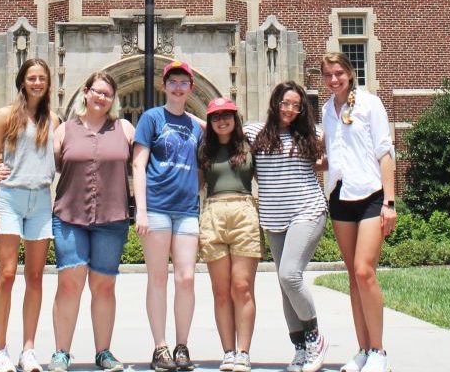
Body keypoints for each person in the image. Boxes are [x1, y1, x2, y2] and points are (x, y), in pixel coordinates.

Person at [47, 71, 135, 372]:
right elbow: (42, 164)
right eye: (97, 91)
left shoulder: (123, 128)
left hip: (112, 218)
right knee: (69, 284)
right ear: (85, 92)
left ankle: (104, 352)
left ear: (113, 99)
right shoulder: (64, 131)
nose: (101, 97)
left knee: (104, 286)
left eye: (107, 94)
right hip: (69, 216)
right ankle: (61, 352)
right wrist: (2, 170)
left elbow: (148, 160)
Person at [244, 82, 328, 372]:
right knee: (284, 284)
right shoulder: (255, 132)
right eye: (285, 103)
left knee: (290, 275)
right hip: (273, 217)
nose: (290, 109)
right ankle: (301, 349)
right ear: (275, 103)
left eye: (296, 105)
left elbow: (341, 151)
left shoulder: (313, 134)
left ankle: (315, 338)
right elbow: (219, 127)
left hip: (307, 211)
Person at [320, 53, 397, 372]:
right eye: (328, 75)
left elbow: (384, 151)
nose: (334, 79)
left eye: (339, 73)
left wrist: (389, 202)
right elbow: (331, 156)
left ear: (350, 74)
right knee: (353, 275)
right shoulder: (326, 110)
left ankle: (379, 351)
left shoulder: (369, 104)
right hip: (340, 196)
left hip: (370, 195)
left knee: (365, 271)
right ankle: (363, 349)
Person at [0, 58, 59, 372]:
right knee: (6, 275)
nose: (37, 83)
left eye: (42, 78)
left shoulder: (52, 120)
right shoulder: (5, 116)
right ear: (22, 81)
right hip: (10, 198)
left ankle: (28, 350)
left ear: (48, 83)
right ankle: (1, 350)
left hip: (40, 200)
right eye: (32, 77)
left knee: (36, 277)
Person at [133, 60, 203, 372]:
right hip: (157, 208)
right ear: (165, 86)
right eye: (172, 81)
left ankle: (182, 346)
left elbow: (203, 166)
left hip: (187, 210)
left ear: (191, 87)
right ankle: (160, 347)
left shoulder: (195, 126)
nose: (177, 87)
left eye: (183, 82)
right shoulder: (151, 119)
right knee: (158, 278)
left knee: (186, 279)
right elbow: (138, 164)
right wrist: (141, 211)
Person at [198, 97, 262, 372]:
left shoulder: (251, 146)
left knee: (242, 287)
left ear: (236, 118)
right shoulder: (204, 150)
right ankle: (228, 351)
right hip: (213, 212)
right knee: (221, 291)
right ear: (209, 122)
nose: (221, 120)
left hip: (243, 211)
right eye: (215, 116)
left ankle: (244, 352)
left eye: (227, 115)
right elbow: (195, 184)